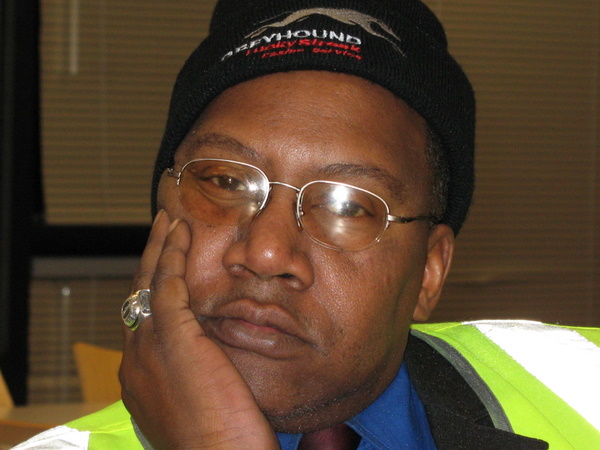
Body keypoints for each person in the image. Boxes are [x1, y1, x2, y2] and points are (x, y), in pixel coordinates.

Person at [15, 0, 600, 448]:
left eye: (348, 206)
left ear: (429, 271)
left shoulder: (583, 388)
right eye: (225, 181)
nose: (266, 252)